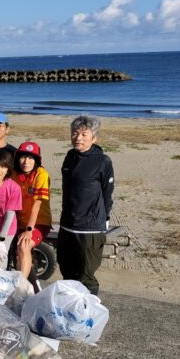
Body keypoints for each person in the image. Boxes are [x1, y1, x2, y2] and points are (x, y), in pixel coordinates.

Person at [58, 115, 114, 295]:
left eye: (83, 134)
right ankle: (70, 310)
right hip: (67, 225)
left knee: (86, 275)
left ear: (94, 137)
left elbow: (107, 193)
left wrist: (104, 219)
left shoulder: (102, 161)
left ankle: (89, 314)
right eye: (75, 133)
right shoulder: (69, 156)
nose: (78, 138)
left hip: (89, 228)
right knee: (67, 272)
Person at [12, 141, 52, 285]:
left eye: (30, 158)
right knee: (18, 253)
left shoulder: (41, 174)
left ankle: (19, 286)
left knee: (24, 245)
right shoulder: (14, 174)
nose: (26, 161)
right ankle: (33, 286)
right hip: (20, 221)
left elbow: (37, 203)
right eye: (23, 157)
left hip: (39, 222)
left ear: (36, 160)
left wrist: (29, 229)